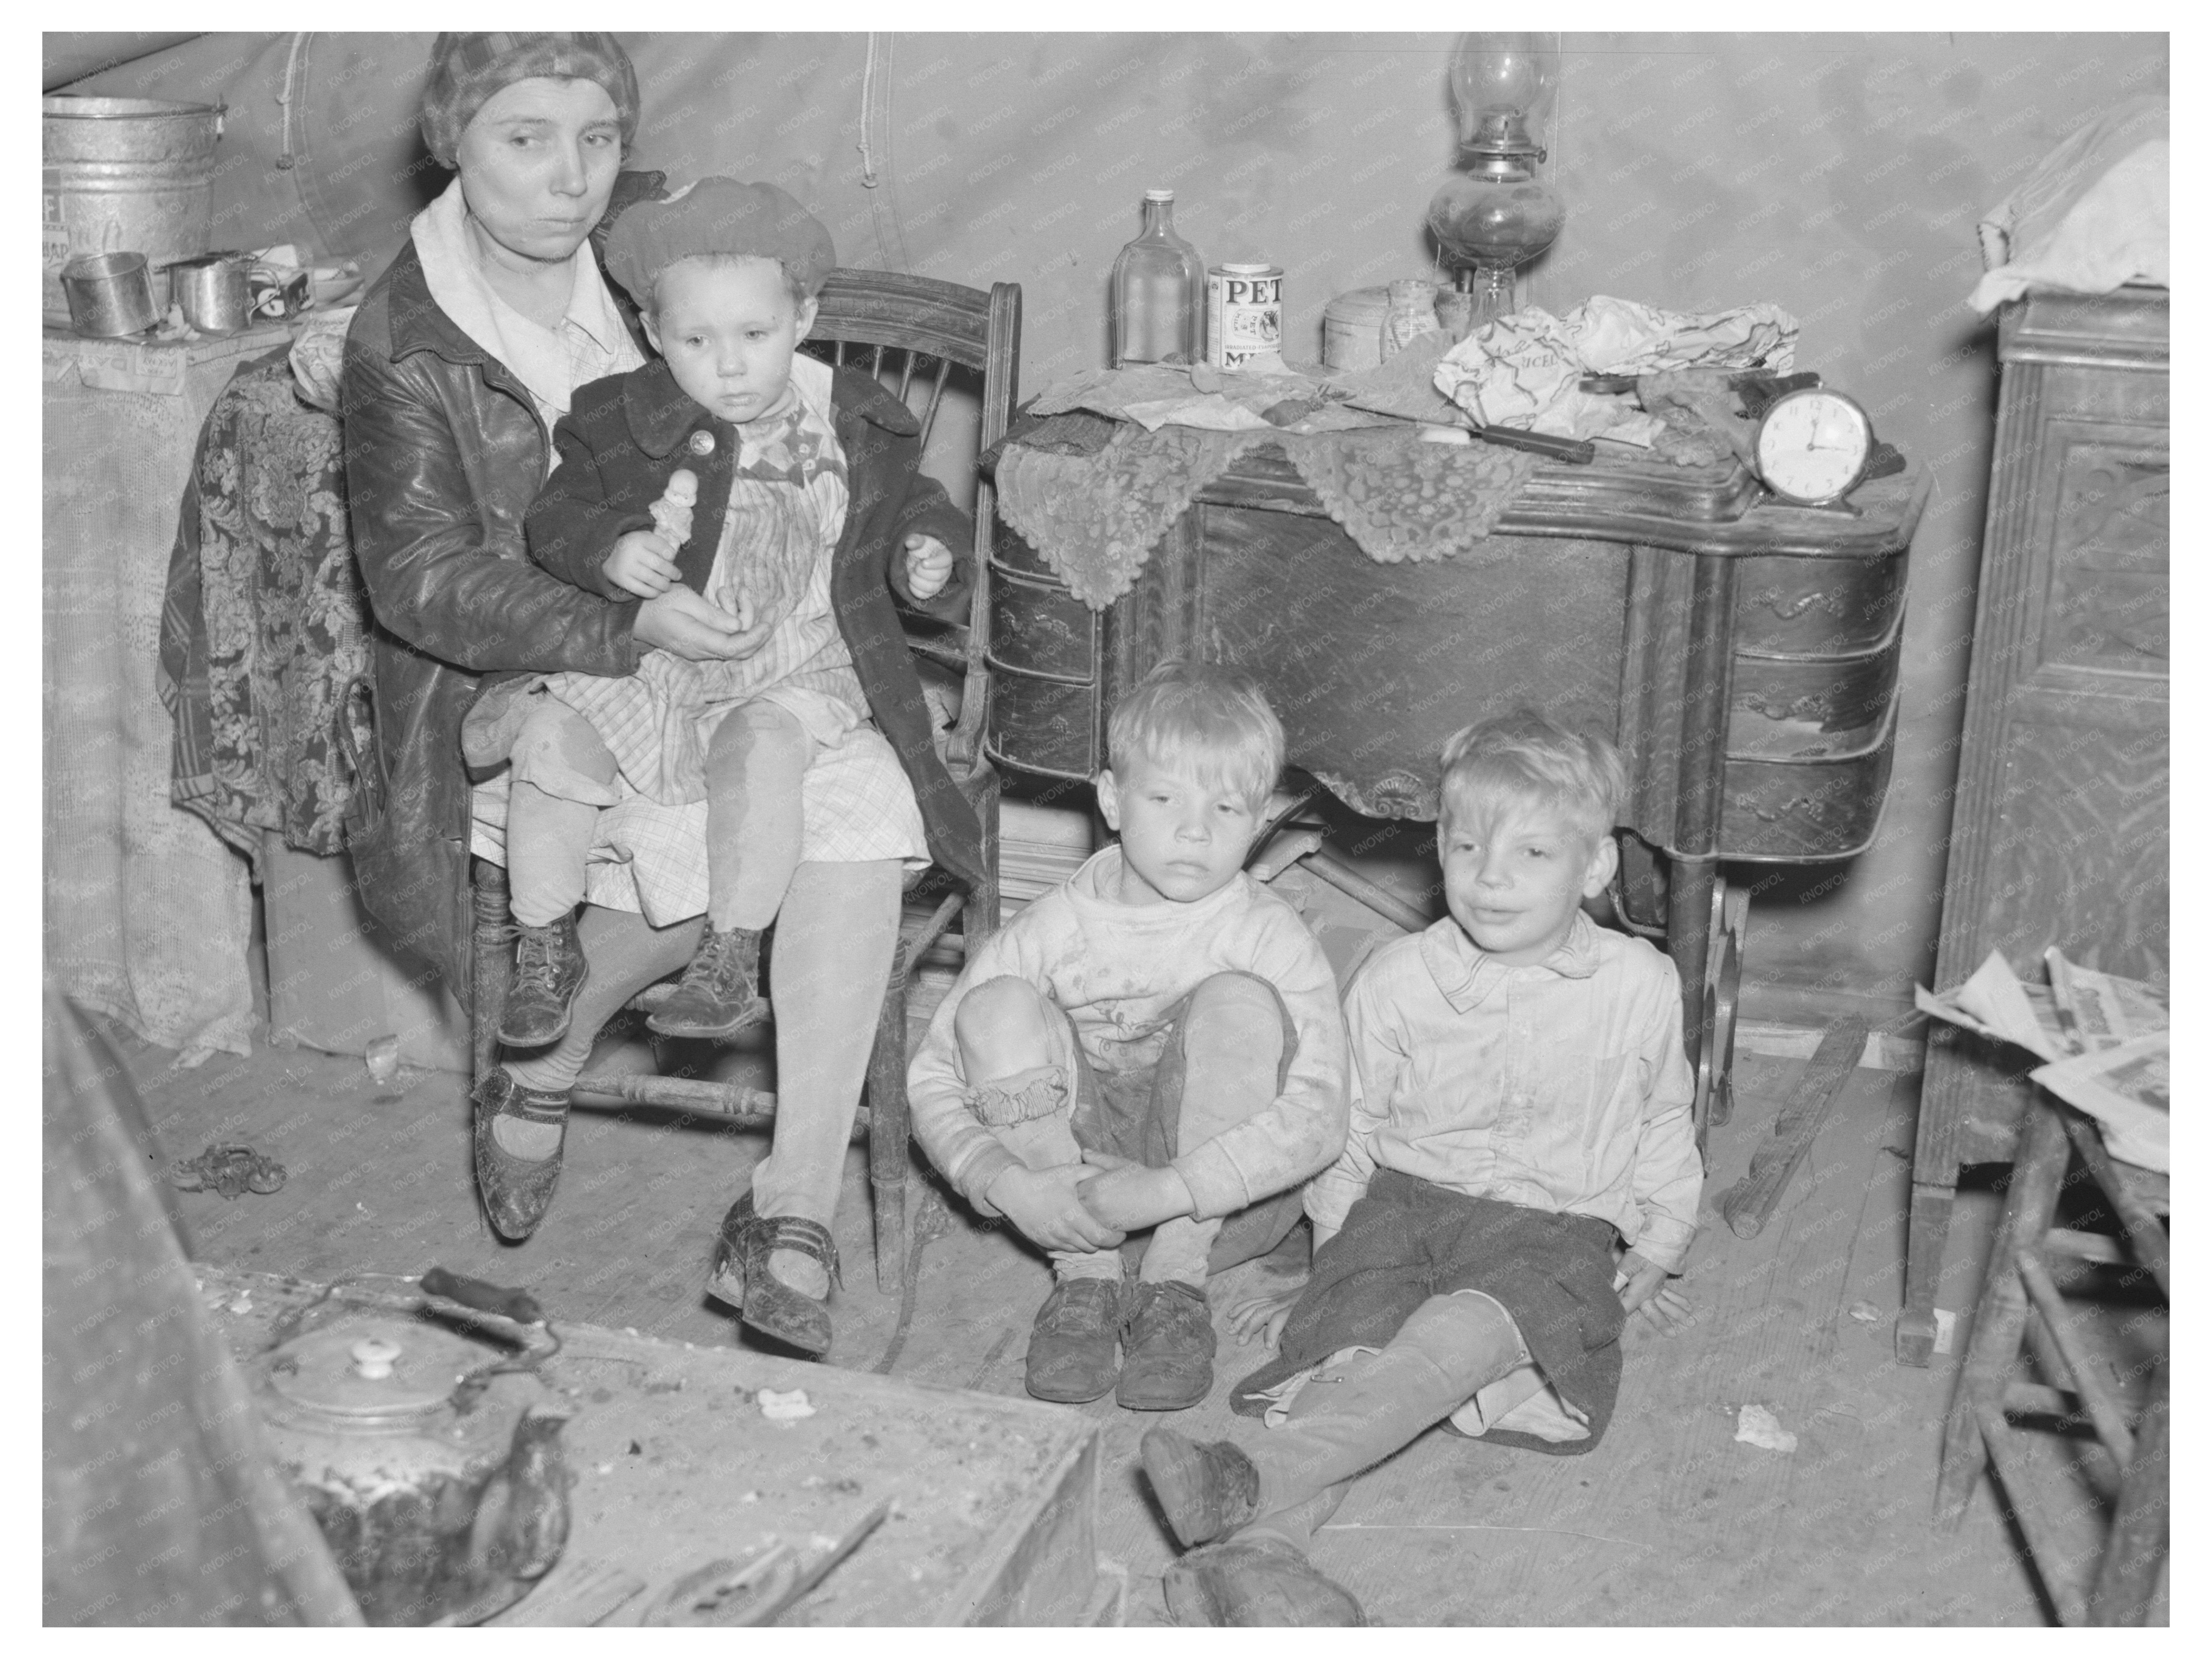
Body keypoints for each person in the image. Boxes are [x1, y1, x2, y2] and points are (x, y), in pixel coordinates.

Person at [342, 34, 986, 1360]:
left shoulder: (665, 238)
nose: (571, 178)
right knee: (731, 794)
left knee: (838, 796)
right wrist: (624, 618)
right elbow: (418, 580)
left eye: (596, 137)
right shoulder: (406, 341)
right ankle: (559, 1034)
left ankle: (790, 1204)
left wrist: (893, 542)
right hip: (529, 661)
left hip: (761, 651)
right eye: (525, 139)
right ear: (450, 144)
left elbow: (801, 351)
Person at [1134, 710, 1702, 1627]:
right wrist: (1330, 1264)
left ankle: (1253, 1484)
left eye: (1532, 856)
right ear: (1439, 845)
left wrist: (1660, 1238)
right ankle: (1264, 1564)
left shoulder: (1639, 984)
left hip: (1550, 1227)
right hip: (1403, 1209)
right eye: (1468, 845)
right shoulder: (1398, 977)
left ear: (1594, 869)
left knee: (1459, 1336)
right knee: (1354, 1346)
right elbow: (1351, 1127)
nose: (1490, 877)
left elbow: (1662, 1116)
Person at [469, 178, 964, 1050]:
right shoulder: (622, 419)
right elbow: (557, 519)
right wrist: (613, 549)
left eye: (754, 335)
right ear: (656, 336)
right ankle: (545, 943)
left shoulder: (850, 426)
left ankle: (729, 951)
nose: (729, 365)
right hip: (653, 664)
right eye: (696, 340)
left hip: (797, 666)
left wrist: (925, 552)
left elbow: (913, 506)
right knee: (550, 735)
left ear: (802, 320)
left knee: (764, 744)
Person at [907, 661, 1349, 1412]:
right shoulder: (1054, 924)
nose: (1195, 831)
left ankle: (1175, 1294)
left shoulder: (1264, 931)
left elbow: (1323, 1114)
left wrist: (1172, 1191)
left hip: (1218, 1207)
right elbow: (933, 1077)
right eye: (1166, 797)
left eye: (1227, 808)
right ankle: (1083, 1285)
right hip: (1070, 1202)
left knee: (1241, 1002)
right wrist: (1010, 1185)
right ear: (1112, 798)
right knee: (994, 1006)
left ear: (1262, 816)